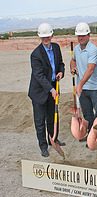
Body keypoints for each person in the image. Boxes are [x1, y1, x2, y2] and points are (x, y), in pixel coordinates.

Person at [28, 23, 65, 157]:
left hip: (52, 88)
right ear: (40, 37)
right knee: (40, 121)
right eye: (43, 37)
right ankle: (43, 146)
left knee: (52, 116)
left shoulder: (56, 47)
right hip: (39, 92)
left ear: (51, 35)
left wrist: (61, 72)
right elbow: (39, 76)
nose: (46, 39)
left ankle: (53, 139)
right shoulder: (36, 54)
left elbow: (60, 63)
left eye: (48, 36)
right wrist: (50, 89)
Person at [70, 22, 97, 142]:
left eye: (83, 35)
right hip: (83, 88)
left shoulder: (93, 49)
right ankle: (90, 134)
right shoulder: (77, 49)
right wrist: (72, 68)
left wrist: (80, 84)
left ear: (89, 35)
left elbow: (90, 69)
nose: (81, 38)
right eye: (79, 35)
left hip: (95, 87)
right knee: (87, 113)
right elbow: (73, 60)